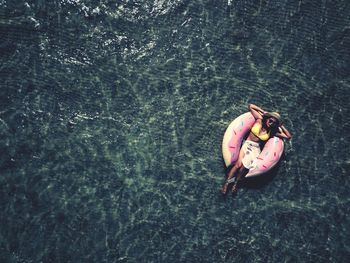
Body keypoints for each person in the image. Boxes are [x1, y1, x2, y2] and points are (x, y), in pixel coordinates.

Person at [221, 104, 292, 194]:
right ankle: (227, 183)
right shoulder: (259, 120)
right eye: (271, 120)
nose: (271, 123)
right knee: (238, 165)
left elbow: (288, 136)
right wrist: (263, 112)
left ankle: (236, 183)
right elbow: (251, 106)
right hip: (247, 144)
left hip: (255, 149)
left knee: (244, 167)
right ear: (268, 119)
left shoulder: (272, 132)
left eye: (274, 123)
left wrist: (281, 126)